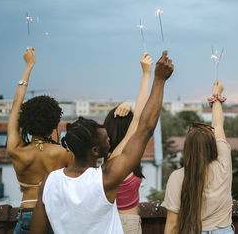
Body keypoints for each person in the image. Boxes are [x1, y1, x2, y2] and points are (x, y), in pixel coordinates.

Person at [30, 51, 174, 234]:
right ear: (95, 150)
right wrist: (159, 80)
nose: (110, 140)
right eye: (106, 139)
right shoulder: (105, 178)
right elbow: (144, 128)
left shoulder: (49, 183)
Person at [7, 47, 74, 234]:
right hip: (55, 217)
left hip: (26, 215)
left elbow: (15, 106)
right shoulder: (66, 153)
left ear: (26, 122)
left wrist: (28, 66)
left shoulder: (16, 150)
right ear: (54, 122)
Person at [162, 80, 234, 234]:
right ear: (212, 146)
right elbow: (218, 125)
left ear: (187, 149)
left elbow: (172, 224)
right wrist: (216, 95)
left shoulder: (177, 177)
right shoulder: (223, 164)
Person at [103, 53, 153, 234]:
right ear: (126, 131)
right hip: (125, 225)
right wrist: (146, 74)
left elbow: (137, 117)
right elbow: (140, 117)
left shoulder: (109, 158)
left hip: (114, 222)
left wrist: (128, 104)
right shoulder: (118, 157)